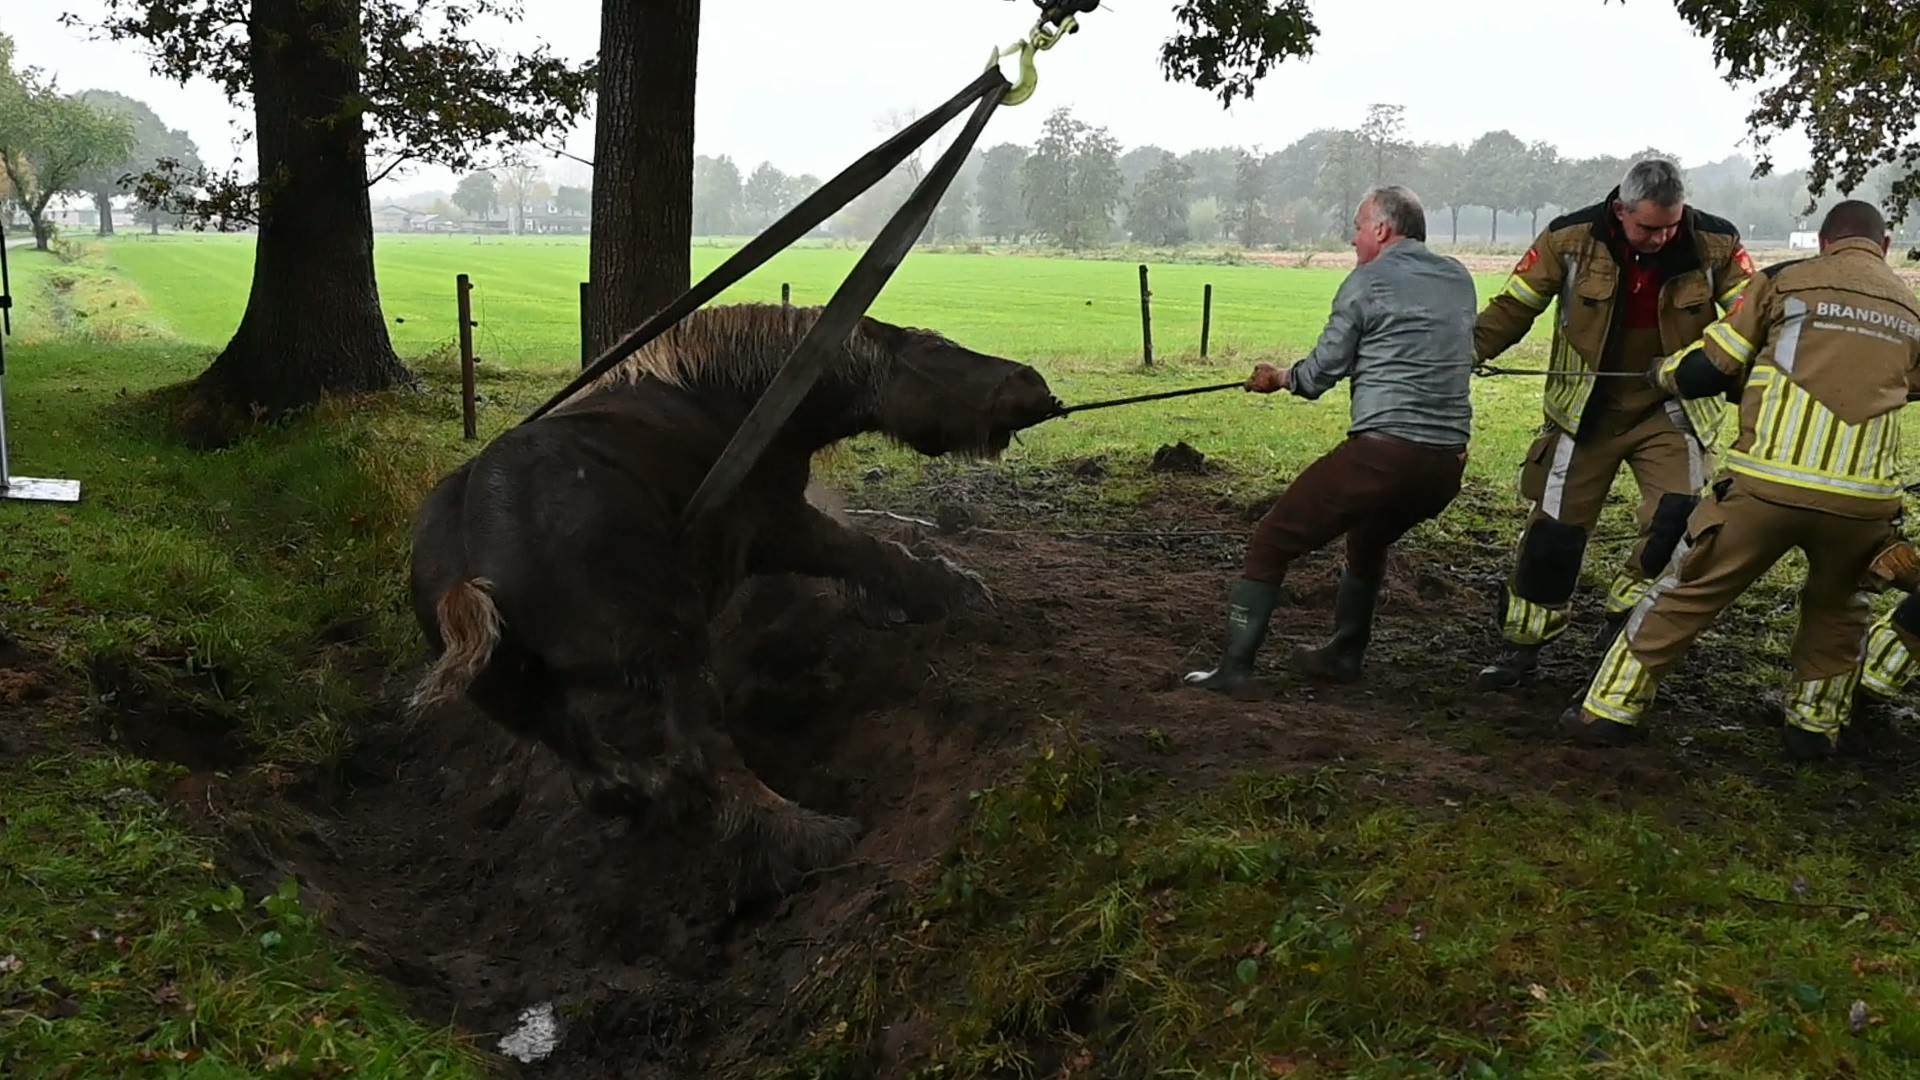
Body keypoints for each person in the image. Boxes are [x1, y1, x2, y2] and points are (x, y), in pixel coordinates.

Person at [1563, 200, 1920, 760]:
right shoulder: (1910, 304)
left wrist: (1661, 371)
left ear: (1825, 242)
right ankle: (1813, 729)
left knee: (1687, 589)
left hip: (1767, 487)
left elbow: (1712, 365)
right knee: (1839, 611)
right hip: (1865, 503)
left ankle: (1609, 709)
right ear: (1885, 247)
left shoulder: (1785, 282)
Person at [1472, 159, 1754, 690]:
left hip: (1672, 411)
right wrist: (1467, 350)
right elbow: (1515, 306)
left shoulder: (1717, 242)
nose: (1661, 237)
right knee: (1554, 535)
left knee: (1680, 520)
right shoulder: (1568, 238)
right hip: (1585, 412)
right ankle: (1522, 647)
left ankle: (1624, 632)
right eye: (1648, 227)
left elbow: (1752, 312)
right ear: (1620, 210)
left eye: (1671, 225)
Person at [1185, 185, 1476, 692]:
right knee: (1369, 533)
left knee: (1272, 540)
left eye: (1359, 226)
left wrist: (1276, 377)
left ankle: (1233, 670)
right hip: (1446, 465)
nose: (1354, 237)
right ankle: (1343, 653)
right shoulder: (1458, 277)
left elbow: (1320, 375)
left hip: (1385, 453)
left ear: (1383, 230)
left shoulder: (1367, 281)